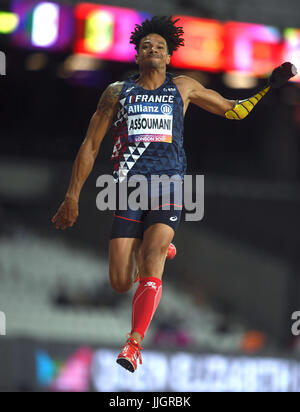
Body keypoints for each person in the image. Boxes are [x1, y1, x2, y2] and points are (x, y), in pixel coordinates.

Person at [51, 16, 297, 373]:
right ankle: (158, 245)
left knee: (152, 265)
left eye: (160, 47)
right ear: (137, 56)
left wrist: (267, 89)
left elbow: (233, 110)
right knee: (121, 281)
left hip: (169, 187)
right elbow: (90, 145)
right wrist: (72, 195)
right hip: (128, 191)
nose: (153, 49)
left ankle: (133, 344)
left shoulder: (182, 87)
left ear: (168, 58)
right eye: (146, 46)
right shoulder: (117, 93)